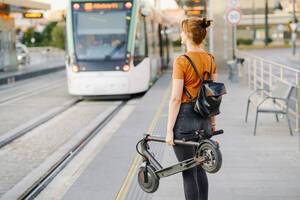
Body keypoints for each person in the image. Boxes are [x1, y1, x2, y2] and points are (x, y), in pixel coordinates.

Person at [166, 17, 217, 200]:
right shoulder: (210, 59)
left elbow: (175, 98)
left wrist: (169, 130)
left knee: (188, 172)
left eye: (182, 31)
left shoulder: (182, 61)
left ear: (188, 34)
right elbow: (212, 96)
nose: (180, 34)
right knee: (200, 168)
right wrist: (212, 123)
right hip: (204, 119)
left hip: (185, 121)